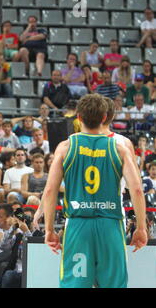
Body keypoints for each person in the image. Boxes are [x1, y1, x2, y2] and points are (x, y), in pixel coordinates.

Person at [42, 94, 148, 288]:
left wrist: (49, 229)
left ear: (79, 118)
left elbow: (49, 190)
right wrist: (141, 227)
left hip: (77, 224)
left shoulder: (65, 147)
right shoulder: (120, 148)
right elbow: (137, 190)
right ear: (104, 117)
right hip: (110, 224)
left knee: (74, 284)